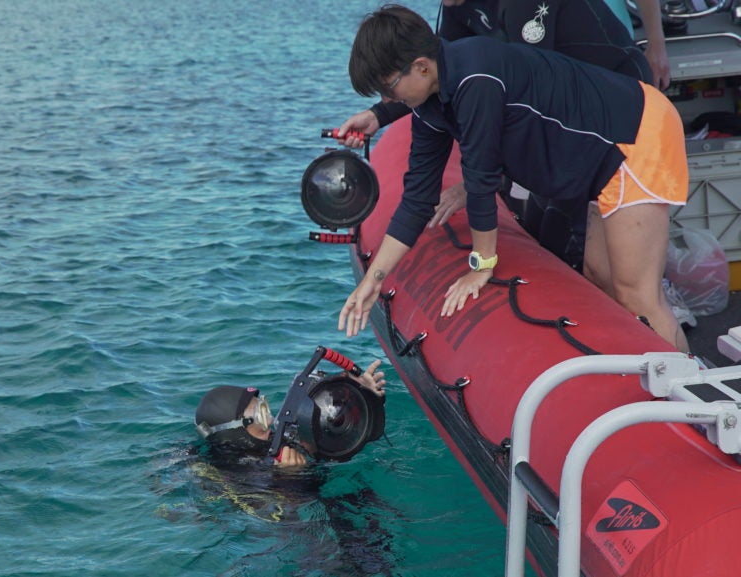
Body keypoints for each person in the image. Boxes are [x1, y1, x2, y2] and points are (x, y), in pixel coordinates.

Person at [336, 5, 690, 352]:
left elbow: (480, 178)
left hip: (635, 135)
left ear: (421, 67)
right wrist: (373, 280)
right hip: (600, 154)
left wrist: (481, 265)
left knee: (636, 295)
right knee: (599, 276)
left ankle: (696, 394)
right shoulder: (430, 103)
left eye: (390, 89)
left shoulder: (476, 80)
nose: (389, 99)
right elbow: (416, 199)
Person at [194, 359, 386, 467]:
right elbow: (278, 526)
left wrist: (359, 393)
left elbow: (340, 433)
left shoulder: (276, 439)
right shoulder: (237, 473)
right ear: (235, 431)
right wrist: (289, 482)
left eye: (265, 408)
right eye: (260, 417)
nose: (270, 421)